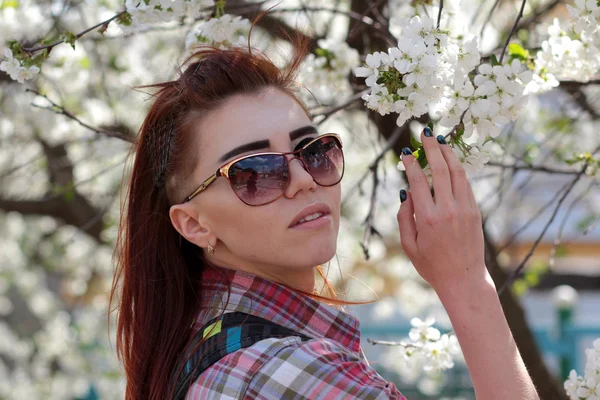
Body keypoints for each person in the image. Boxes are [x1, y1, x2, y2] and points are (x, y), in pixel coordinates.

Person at [110, 36, 540, 400]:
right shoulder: (286, 371)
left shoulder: (204, 354)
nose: (301, 179)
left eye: (313, 151)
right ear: (194, 224)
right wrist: (468, 287)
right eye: (255, 173)